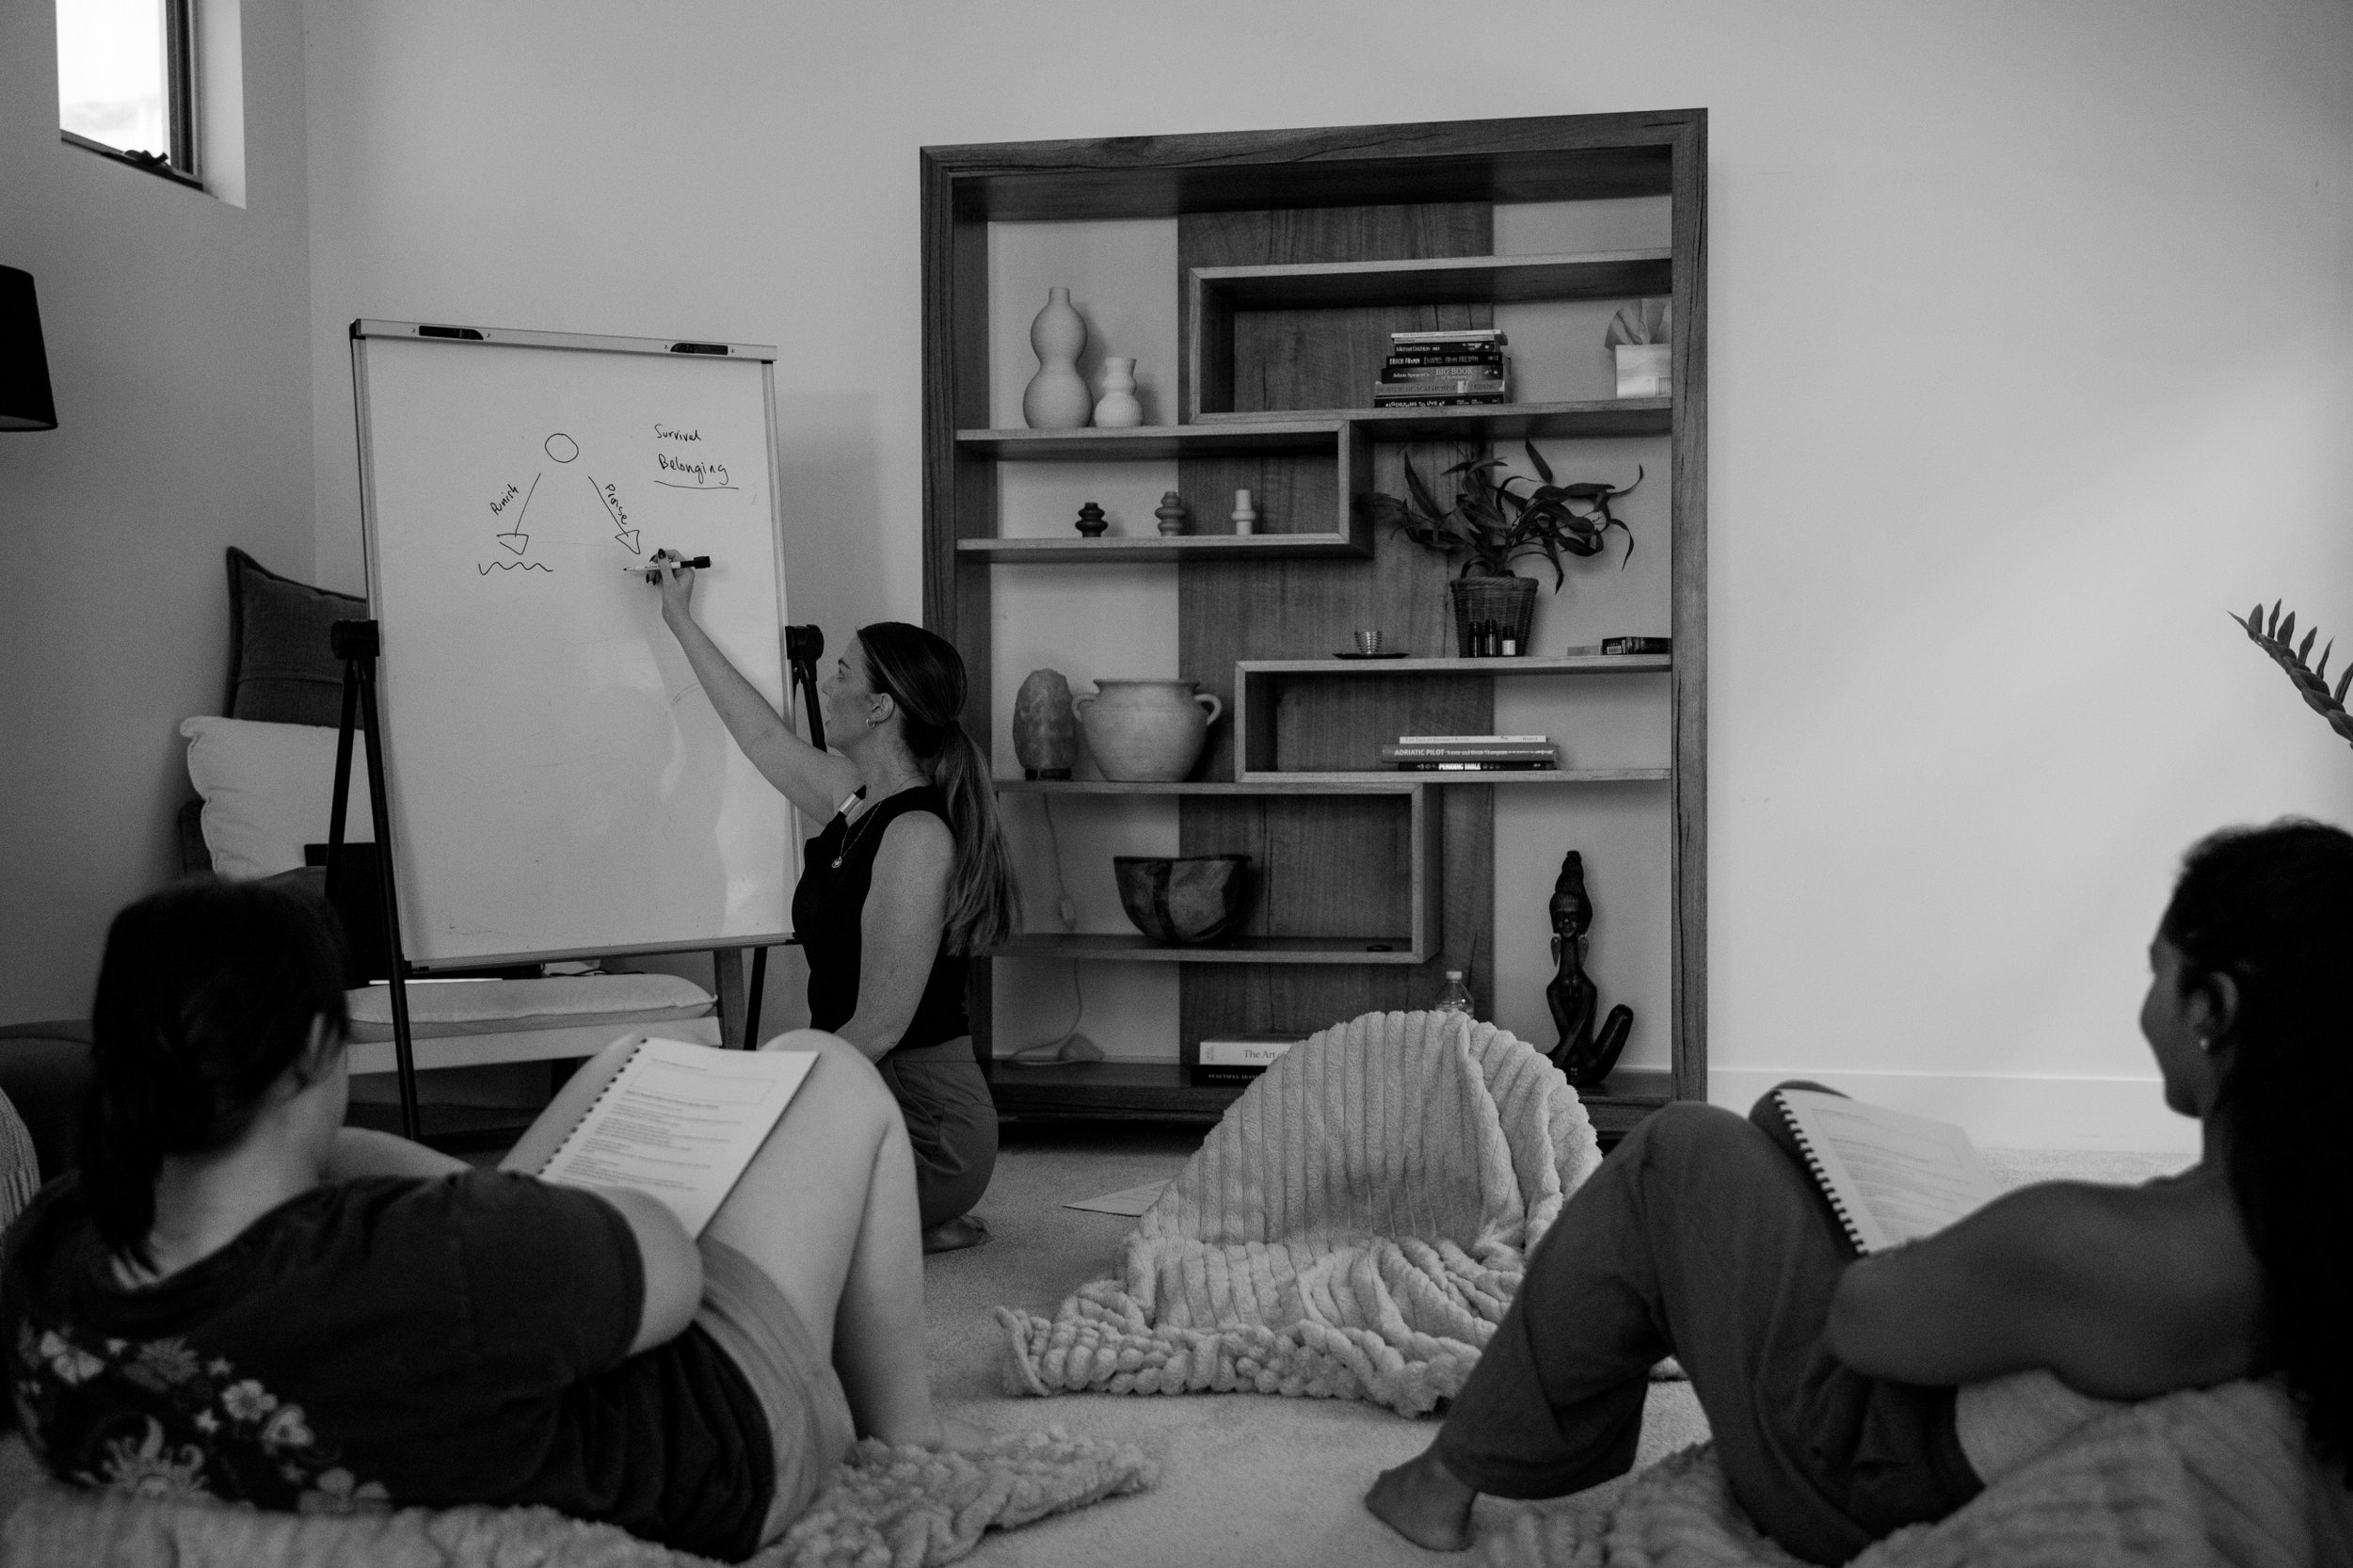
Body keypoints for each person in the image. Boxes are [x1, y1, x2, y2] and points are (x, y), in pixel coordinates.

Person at [1368, 818, 2353, 1560]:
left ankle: (1443, 1481)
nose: (2148, 1004)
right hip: (1947, 1413)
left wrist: (1941, 1242)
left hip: (1859, 1470)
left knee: (1680, 1148)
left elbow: (1864, 1322)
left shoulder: (2106, 1247)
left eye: (2159, 974)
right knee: (1789, 1115)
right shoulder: (2294, 1213)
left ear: (2213, 1008)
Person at [1, 877, 986, 1560]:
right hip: (716, 1438)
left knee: (635, 1061)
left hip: (486, 1342)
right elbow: (672, 1271)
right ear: (311, 1053)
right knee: (823, 1065)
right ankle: (908, 1438)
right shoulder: (432, 1257)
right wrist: (501, 1209)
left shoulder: (53, 1246)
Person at [651, 556, 1016, 1253]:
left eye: (843, 673)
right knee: (695, 1186)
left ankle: (911, 1215)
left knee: (725, 1216)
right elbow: (761, 737)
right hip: (863, 1094)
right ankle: (907, 1227)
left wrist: (766, 1100)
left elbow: (878, 1027)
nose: (826, 684)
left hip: (923, 1121)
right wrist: (679, 620)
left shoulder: (916, 837)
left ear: (880, 708)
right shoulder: (858, 804)